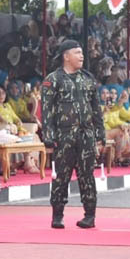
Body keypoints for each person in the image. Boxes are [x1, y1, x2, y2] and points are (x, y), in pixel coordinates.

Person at [41, 40, 105, 229]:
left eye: (81, 53)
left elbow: (96, 109)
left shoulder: (87, 79)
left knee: (87, 175)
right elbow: (47, 110)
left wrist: (100, 134)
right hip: (64, 135)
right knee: (62, 175)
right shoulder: (53, 80)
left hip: (86, 134)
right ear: (65, 56)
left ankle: (89, 215)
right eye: (77, 53)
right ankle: (58, 215)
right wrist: (49, 135)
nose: (81, 56)